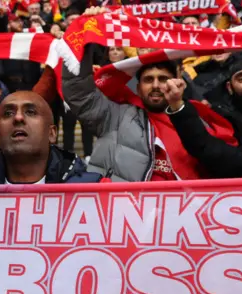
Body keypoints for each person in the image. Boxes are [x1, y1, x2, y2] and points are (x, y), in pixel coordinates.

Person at [62, 8, 203, 181]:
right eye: (149, 80)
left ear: (178, 81)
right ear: (137, 88)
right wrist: (85, 35)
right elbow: (79, 94)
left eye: (163, 78)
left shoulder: (196, 120)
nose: (156, 86)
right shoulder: (115, 117)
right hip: (120, 205)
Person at [0, 91, 104, 184]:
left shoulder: (94, 190)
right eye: (8, 113)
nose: (18, 117)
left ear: (52, 133)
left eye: (31, 112)